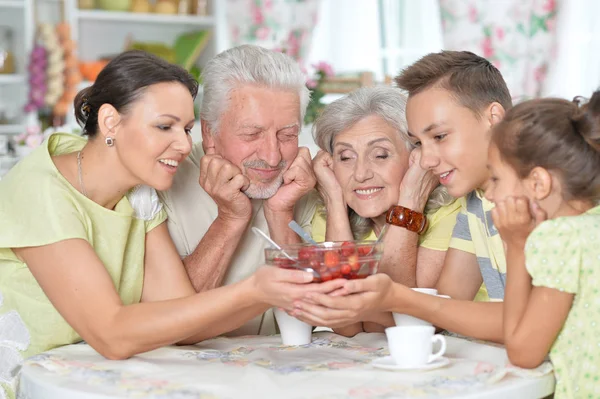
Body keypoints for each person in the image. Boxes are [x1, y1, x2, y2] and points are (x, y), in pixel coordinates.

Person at [0, 51, 341, 399]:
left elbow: (183, 314)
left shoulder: (138, 193)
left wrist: (270, 288)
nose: (182, 145)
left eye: (186, 128)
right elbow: (112, 334)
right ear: (111, 122)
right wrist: (255, 291)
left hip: (93, 379)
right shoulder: (43, 188)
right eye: (165, 126)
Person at [290, 51, 514, 343]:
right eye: (420, 143)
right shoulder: (477, 205)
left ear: (493, 119)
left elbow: (524, 328)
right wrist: (390, 299)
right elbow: (438, 316)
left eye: (440, 137)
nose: (427, 159)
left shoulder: (539, 198)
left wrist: (391, 297)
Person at [159, 45, 319, 336]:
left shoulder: (304, 183)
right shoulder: (163, 181)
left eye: (287, 135)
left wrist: (282, 212)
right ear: (210, 133)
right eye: (251, 134)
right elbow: (174, 324)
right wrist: (230, 219)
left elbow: (313, 310)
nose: (272, 157)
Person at [310, 86, 460, 335]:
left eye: (380, 155)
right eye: (345, 158)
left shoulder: (452, 211)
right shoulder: (329, 216)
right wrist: (335, 202)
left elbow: (403, 322)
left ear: (415, 156)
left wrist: (411, 199)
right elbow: (345, 327)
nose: (360, 174)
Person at [486, 93, 600, 398]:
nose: (489, 194)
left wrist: (517, 247)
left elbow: (523, 353)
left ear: (538, 183)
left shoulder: (562, 238)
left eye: (495, 178)